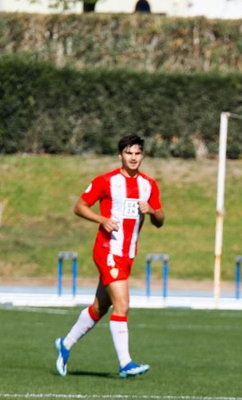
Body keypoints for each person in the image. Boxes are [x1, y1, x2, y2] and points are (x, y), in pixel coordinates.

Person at [54, 134, 164, 379]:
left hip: (128, 254)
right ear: (120, 156)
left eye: (137, 153)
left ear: (142, 156)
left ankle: (66, 344)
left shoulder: (149, 185)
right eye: (128, 153)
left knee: (100, 307)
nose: (133, 158)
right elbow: (79, 206)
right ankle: (125, 363)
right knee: (122, 304)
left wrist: (153, 211)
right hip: (107, 250)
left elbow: (160, 220)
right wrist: (101, 219)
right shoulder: (106, 181)